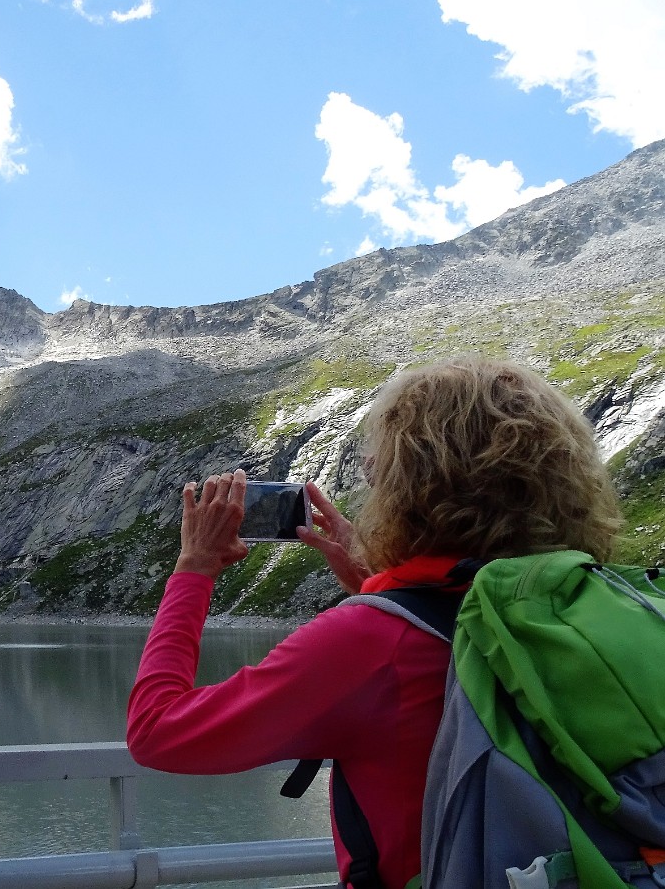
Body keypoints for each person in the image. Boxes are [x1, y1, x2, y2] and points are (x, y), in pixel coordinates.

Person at [126, 356, 623, 889]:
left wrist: (194, 568)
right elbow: (470, 609)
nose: (367, 477)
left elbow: (157, 731)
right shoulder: (614, 603)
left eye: (377, 469)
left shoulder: (370, 643)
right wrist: (381, 580)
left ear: (413, 490)